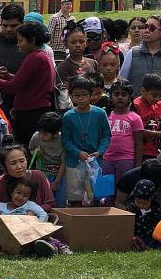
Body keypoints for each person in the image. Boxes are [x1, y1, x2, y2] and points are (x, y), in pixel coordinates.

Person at [0, 22, 55, 144]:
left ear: (32, 40)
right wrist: (7, 75)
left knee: (27, 148)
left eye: (21, 41)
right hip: (38, 111)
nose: (18, 44)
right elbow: (28, 82)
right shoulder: (43, 56)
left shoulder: (34, 57)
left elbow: (13, 87)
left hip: (31, 114)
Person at [61, 75, 112, 205]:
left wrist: (100, 151)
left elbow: (107, 135)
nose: (80, 98)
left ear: (91, 95)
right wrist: (78, 152)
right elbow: (65, 140)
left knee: (99, 198)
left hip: (96, 162)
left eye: (84, 95)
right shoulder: (68, 116)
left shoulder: (100, 113)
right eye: (76, 95)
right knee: (75, 200)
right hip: (74, 162)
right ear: (71, 96)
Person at [103, 84, 144, 177]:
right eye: (116, 94)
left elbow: (139, 144)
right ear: (111, 97)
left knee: (124, 185)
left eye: (124, 94)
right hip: (107, 160)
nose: (120, 97)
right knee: (107, 186)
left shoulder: (135, 118)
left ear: (130, 98)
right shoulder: (106, 116)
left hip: (126, 160)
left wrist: (138, 167)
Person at [29, 111, 66, 206]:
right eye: (40, 132)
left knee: (59, 201)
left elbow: (63, 163)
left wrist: (56, 182)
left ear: (55, 134)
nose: (41, 136)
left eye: (45, 134)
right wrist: (36, 152)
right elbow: (31, 149)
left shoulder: (62, 140)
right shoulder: (36, 136)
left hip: (58, 175)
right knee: (42, 201)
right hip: (42, 174)